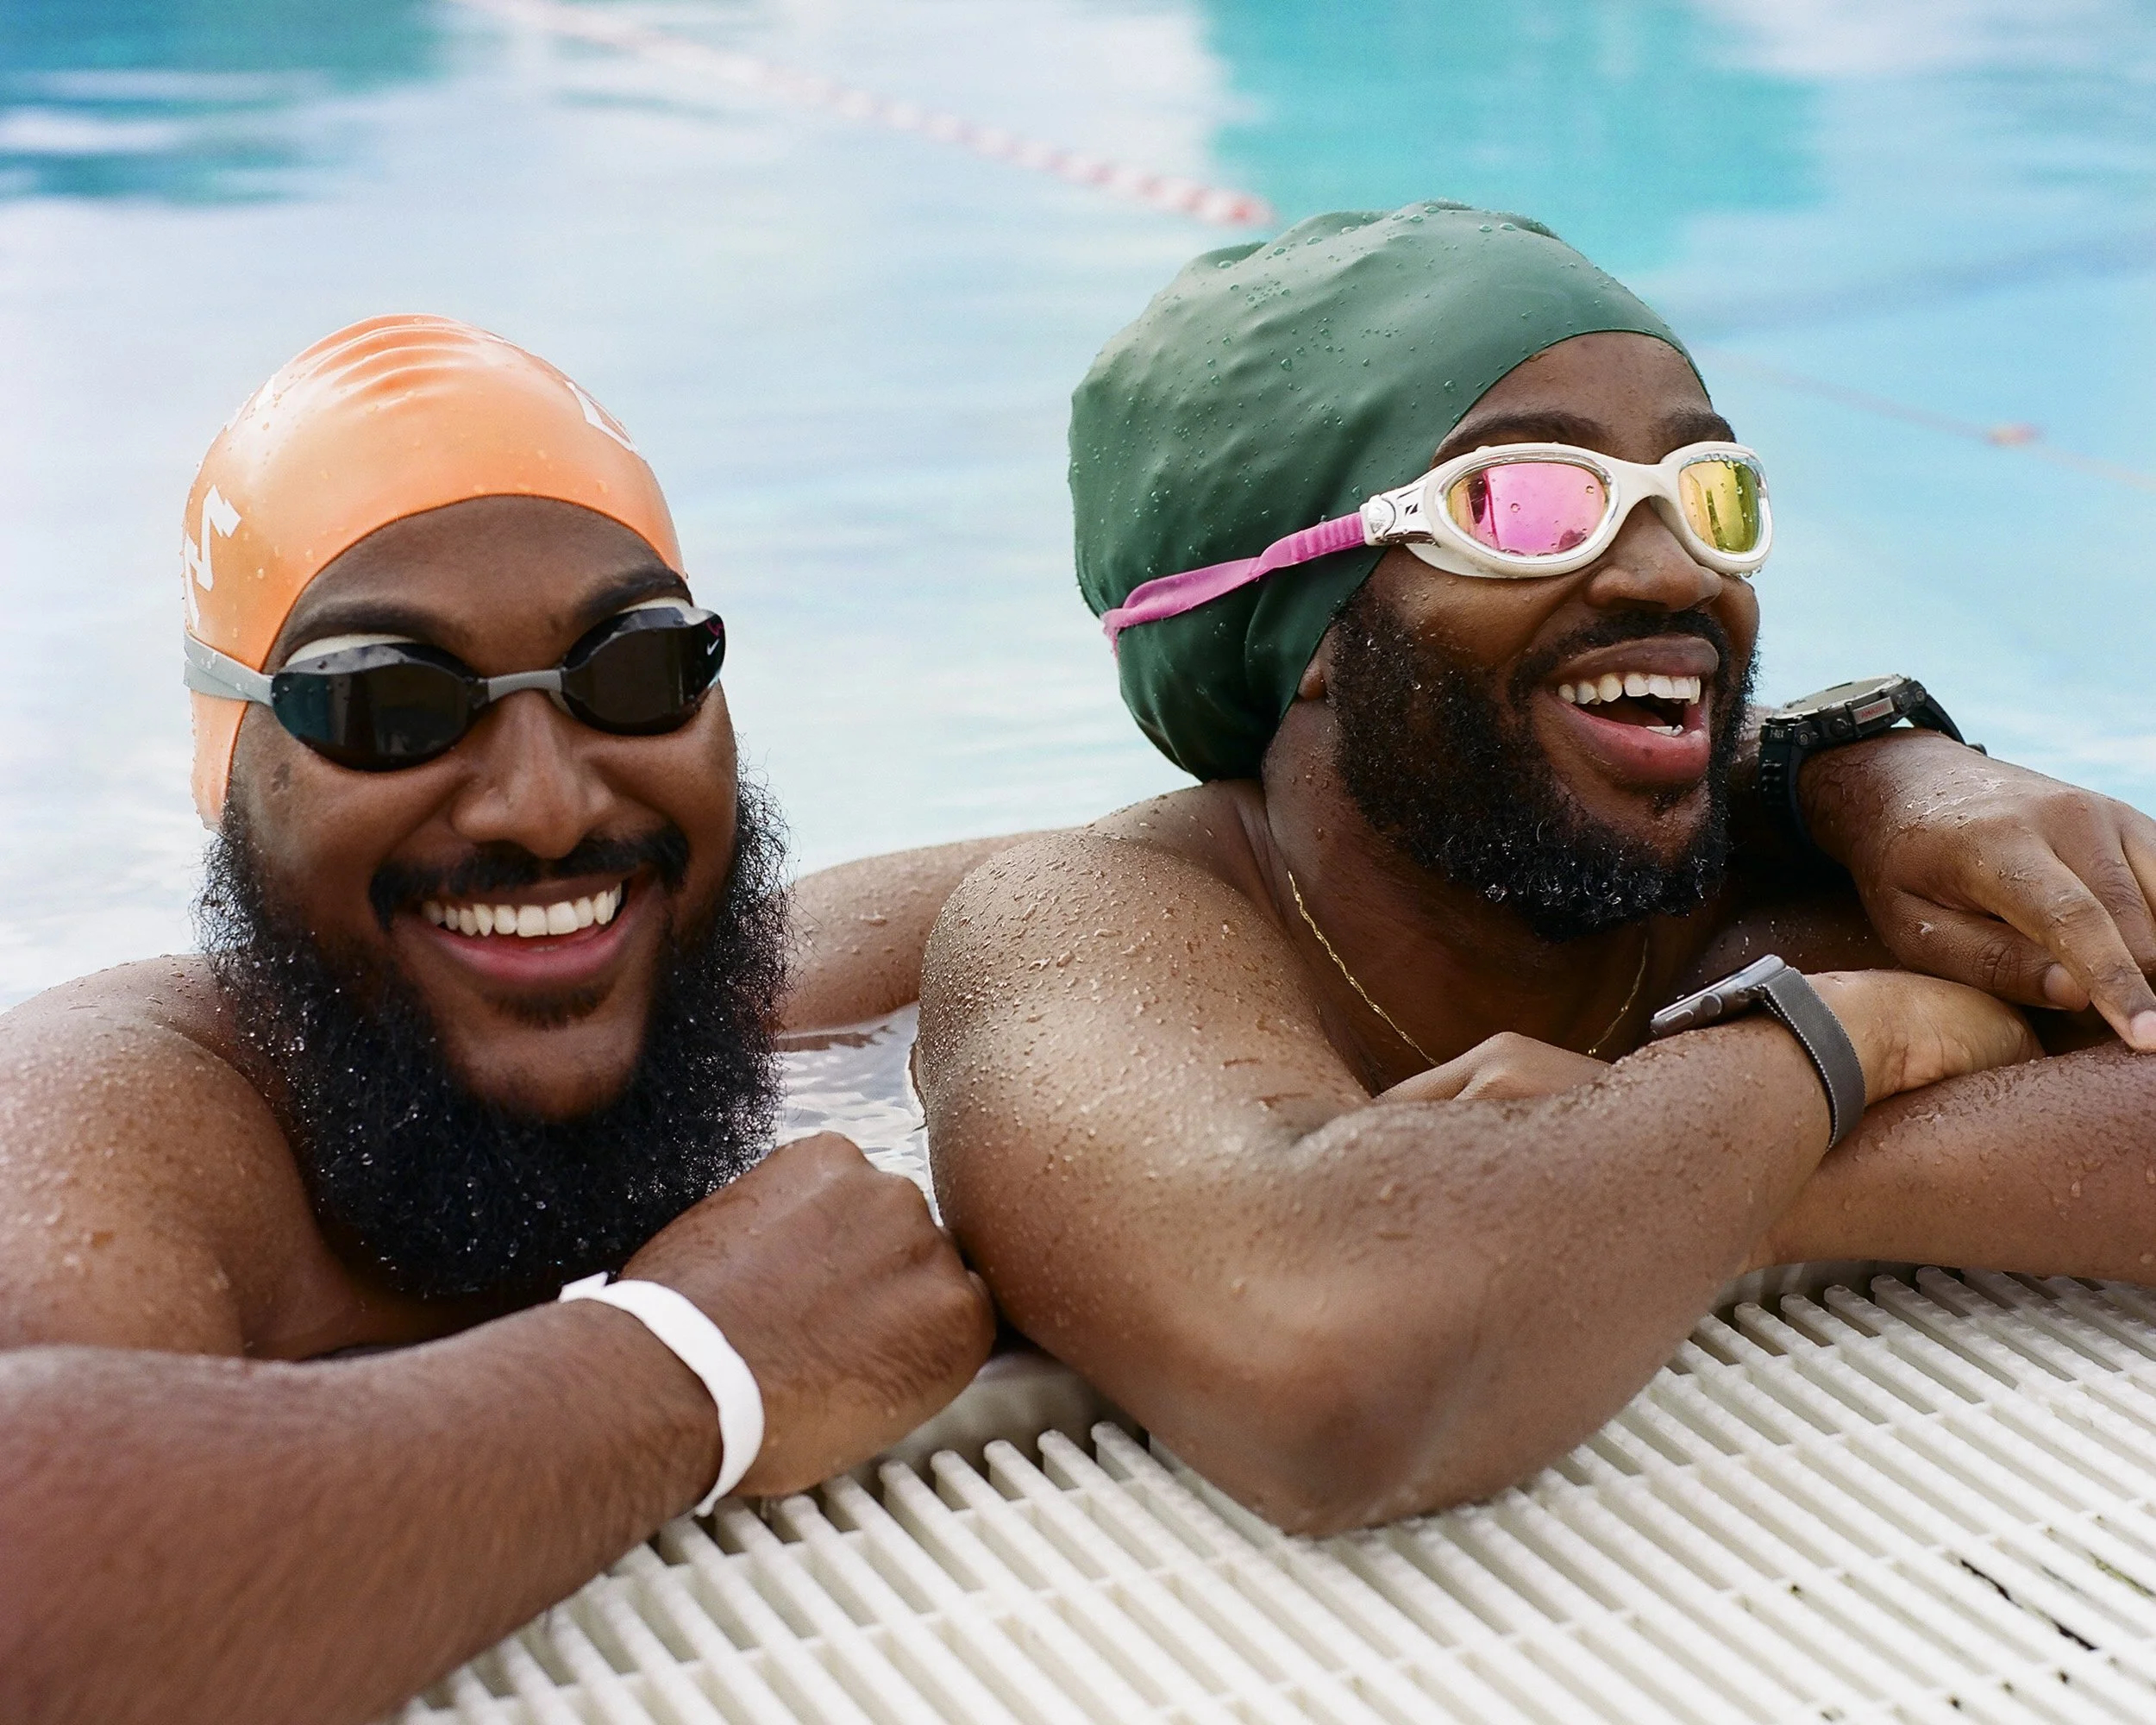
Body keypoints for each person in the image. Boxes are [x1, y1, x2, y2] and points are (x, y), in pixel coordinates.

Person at [914, 204, 2156, 1537]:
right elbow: (1331, 1370)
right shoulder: (1096, 922)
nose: (1678, 568)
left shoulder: (1794, 884)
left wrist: (1668, 1171)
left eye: (1707, 491)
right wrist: (1832, 1043)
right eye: (1523, 505)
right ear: (1303, 625)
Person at [0, 317, 1000, 1724]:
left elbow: (1196, 863)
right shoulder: (125, 1105)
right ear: (232, 772)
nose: (548, 808)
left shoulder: (759, 984)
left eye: (633, 672)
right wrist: (691, 1363)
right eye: (387, 705)